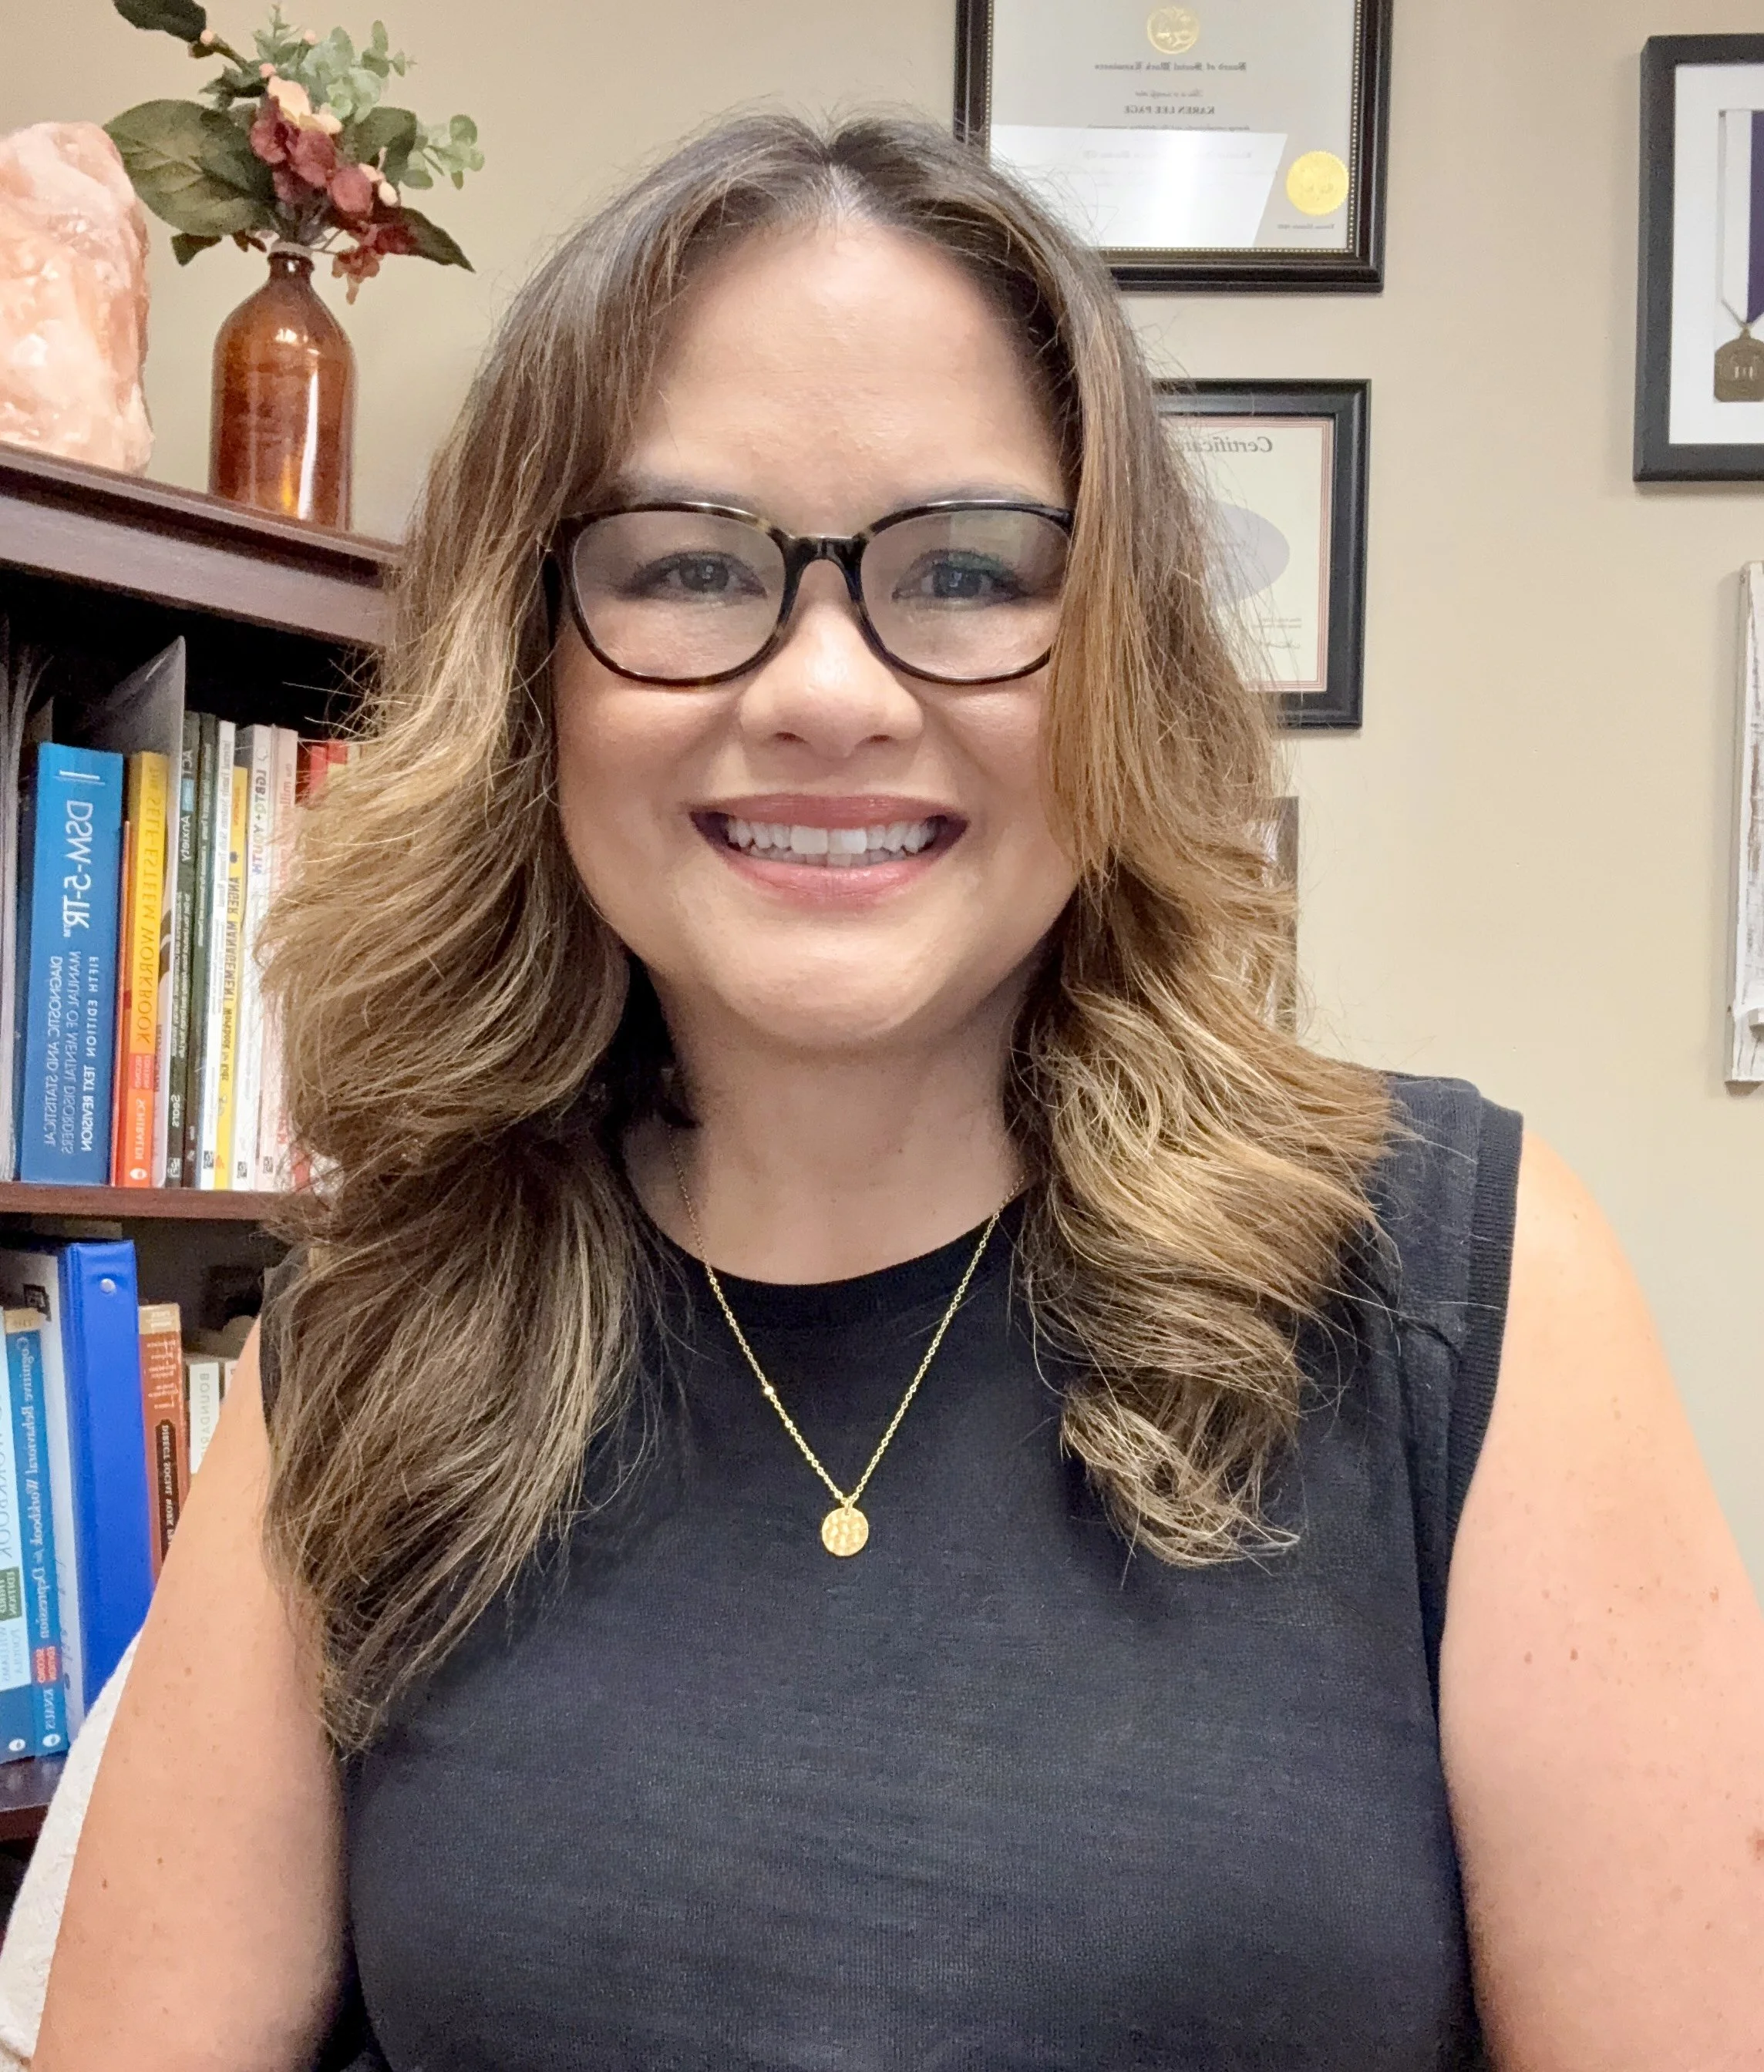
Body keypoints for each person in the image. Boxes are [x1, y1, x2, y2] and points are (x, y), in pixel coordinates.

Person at [31, 114, 1764, 2072]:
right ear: (530, 675)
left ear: (1115, 652)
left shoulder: (1460, 1275)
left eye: (963, 569)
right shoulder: (369, 1332)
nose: (828, 689)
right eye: (687, 567)